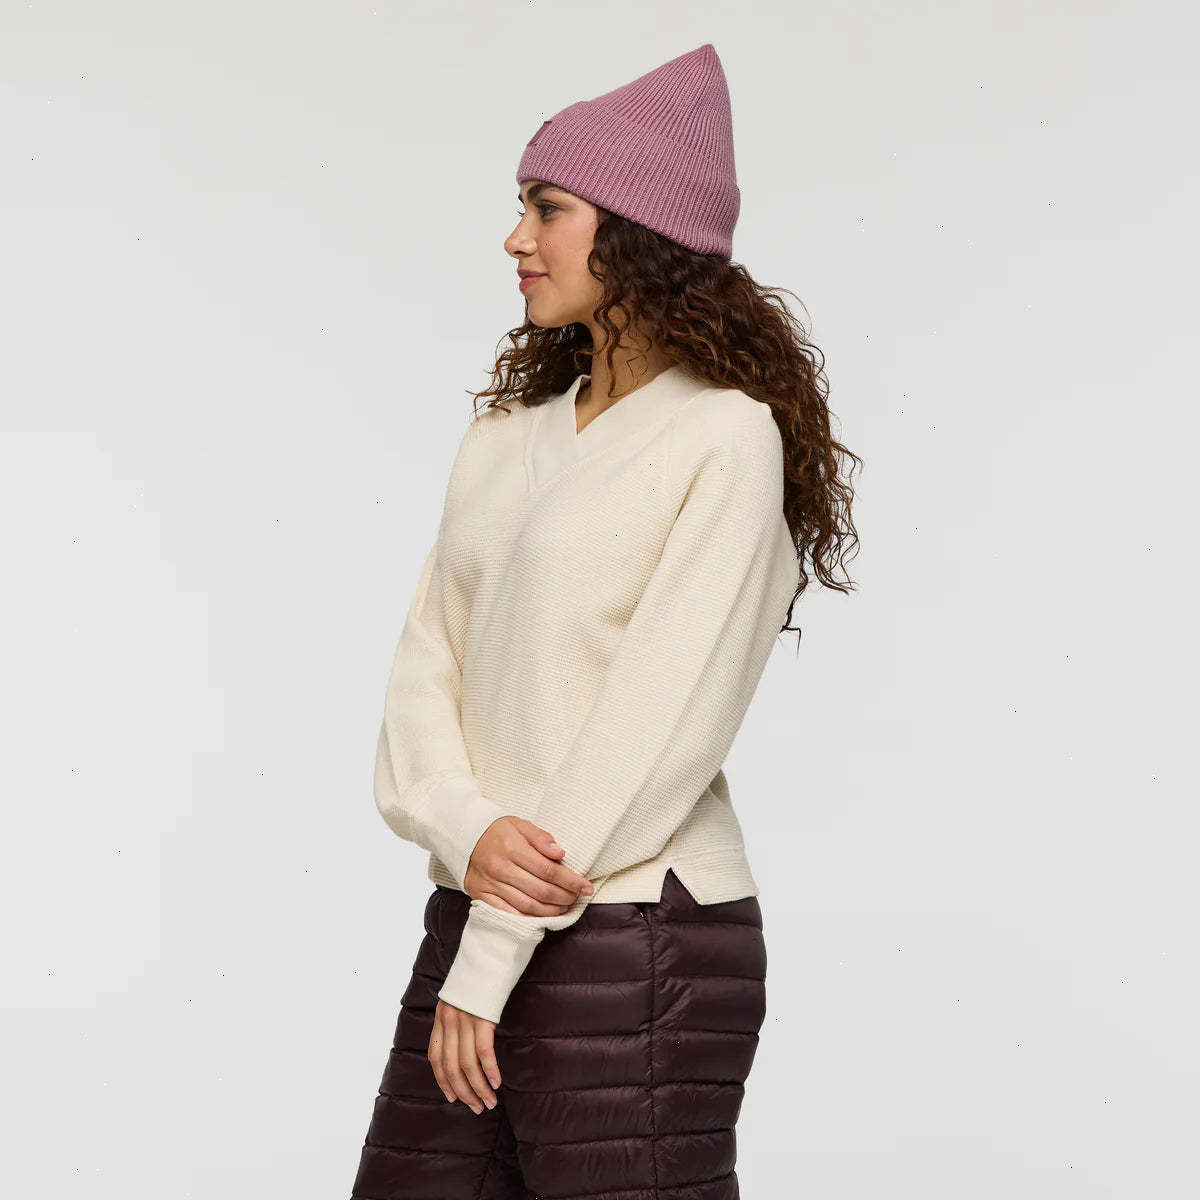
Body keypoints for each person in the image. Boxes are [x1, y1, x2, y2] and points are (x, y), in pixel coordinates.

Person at [350, 41, 860, 1200]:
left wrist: (492, 946)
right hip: (478, 911)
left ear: (634, 231)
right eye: (521, 208)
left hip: (638, 938)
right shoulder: (503, 440)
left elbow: (654, 727)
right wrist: (467, 830)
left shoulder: (724, 438)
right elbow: (425, 669)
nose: (515, 239)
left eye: (547, 208)